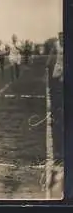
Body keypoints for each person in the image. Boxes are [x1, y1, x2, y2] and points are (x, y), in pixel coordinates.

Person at [46, 31, 63, 164]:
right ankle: (56, 113)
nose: (62, 38)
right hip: (58, 73)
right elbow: (51, 58)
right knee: (56, 92)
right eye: (60, 36)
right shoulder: (56, 46)